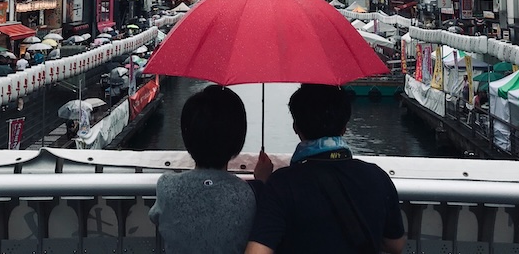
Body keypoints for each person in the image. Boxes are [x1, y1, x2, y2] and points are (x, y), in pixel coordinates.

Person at [246, 84, 405, 254]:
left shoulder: (282, 183)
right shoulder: (377, 177)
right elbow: (395, 245)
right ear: (344, 127)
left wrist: (261, 183)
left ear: (296, 128)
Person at [150, 85, 273, 254]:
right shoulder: (250, 194)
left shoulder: (167, 187)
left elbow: (156, 216)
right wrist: (261, 180)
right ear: (237, 139)